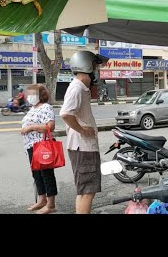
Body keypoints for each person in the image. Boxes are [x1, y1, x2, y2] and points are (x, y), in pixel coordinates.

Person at [60, 51, 108, 214]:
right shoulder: (77, 89)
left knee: (86, 191)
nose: (97, 71)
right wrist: (82, 130)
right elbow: (65, 114)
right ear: (87, 66)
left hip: (84, 148)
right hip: (83, 148)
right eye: (95, 66)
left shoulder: (80, 88)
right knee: (87, 192)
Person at [20, 84, 57, 214]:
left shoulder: (46, 107)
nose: (29, 96)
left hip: (42, 145)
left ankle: (51, 204)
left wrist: (30, 128)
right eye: (29, 94)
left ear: (40, 95)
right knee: (36, 174)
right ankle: (42, 200)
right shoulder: (32, 108)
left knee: (46, 174)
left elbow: (50, 126)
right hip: (31, 145)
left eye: (32, 94)